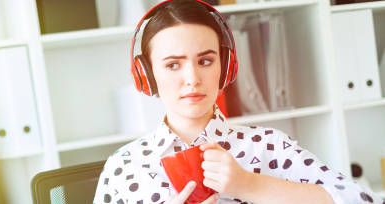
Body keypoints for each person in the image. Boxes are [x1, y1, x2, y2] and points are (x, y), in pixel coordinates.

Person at [93, 0, 382, 203]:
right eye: (172, 65)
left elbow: (363, 200)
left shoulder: (270, 145)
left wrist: (250, 184)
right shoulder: (125, 166)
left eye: (205, 60)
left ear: (226, 66)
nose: (192, 78)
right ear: (147, 75)